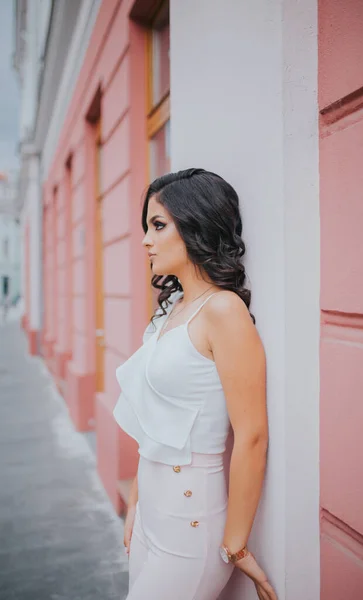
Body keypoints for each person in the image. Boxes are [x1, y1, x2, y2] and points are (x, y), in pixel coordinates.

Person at [113, 168, 277, 600]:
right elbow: (154, 421)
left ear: (197, 224)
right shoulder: (173, 308)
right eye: (146, 226)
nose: (146, 239)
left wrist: (236, 544)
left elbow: (253, 435)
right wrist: (136, 503)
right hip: (151, 514)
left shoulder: (223, 311)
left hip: (190, 523)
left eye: (158, 225)